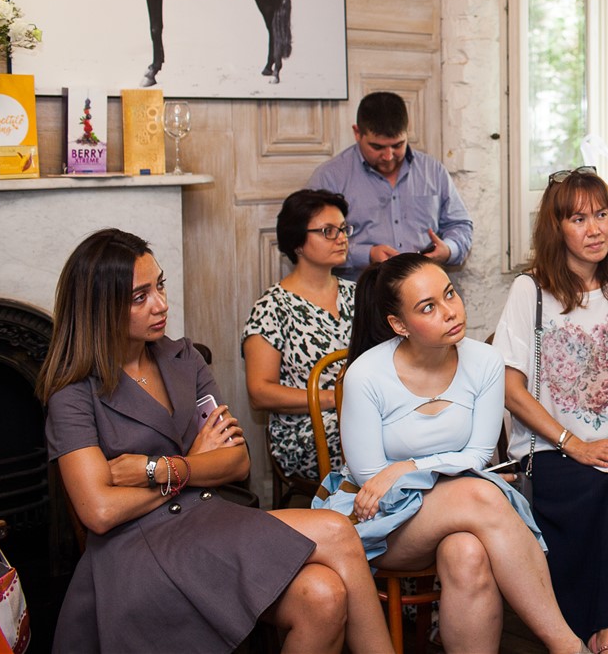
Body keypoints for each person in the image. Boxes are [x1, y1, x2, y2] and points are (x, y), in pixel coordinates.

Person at [37, 228, 393, 654]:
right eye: (139, 297)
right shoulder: (73, 393)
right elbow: (99, 511)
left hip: (206, 515)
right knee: (335, 529)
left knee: (324, 596)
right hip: (135, 545)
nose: (161, 304)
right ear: (98, 307)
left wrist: (162, 469)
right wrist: (191, 467)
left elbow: (237, 462)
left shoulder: (183, 358)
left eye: (160, 286)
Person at [311, 253, 588, 654]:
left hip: (459, 507)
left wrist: (408, 466)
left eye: (450, 294)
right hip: (377, 519)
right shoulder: (366, 375)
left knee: (468, 553)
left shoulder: (485, 361)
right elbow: (373, 478)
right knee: (481, 493)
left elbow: (477, 455)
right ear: (399, 325)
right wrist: (441, 475)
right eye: (428, 307)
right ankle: (568, 646)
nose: (450, 311)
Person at [495, 167, 608, 654]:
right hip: (549, 454)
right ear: (556, 228)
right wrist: (575, 445)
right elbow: (510, 390)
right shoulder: (530, 292)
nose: (595, 229)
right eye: (579, 219)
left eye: (602, 215)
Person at [242, 188, 354, 484]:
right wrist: (333, 399)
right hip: (306, 432)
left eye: (343, 229)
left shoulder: (356, 295)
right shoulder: (272, 307)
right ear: (297, 242)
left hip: (358, 415)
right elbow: (259, 392)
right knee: (377, 439)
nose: (341, 238)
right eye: (328, 231)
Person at [308, 91, 473, 280]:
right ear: (357, 133)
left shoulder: (432, 170)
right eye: (377, 147)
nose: (388, 156)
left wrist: (449, 249)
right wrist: (367, 254)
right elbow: (310, 242)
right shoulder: (330, 177)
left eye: (397, 145)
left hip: (424, 286)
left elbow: (460, 224)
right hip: (360, 291)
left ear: (407, 132)